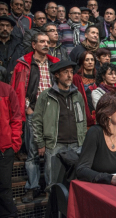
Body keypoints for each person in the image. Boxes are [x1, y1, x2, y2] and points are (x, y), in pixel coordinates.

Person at [11, 32, 60, 203]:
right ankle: (32, 188)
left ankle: (50, 189)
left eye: (48, 41)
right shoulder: (24, 64)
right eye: (42, 41)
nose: (46, 44)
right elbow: (17, 89)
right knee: (32, 153)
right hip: (34, 113)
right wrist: (28, 110)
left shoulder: (55, 64)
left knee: (51, 153)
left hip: (52, 114)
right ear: (34, 45)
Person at [32, 61, 87, 191]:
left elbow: (82, 119)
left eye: (71, 72)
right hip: (55, 145)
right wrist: (40, 143)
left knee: (76, 183)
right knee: (53, 183)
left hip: (76, 145)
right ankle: (54, 210)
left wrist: (83, 139)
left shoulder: (77, 95)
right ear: (57, 75)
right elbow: (37, 120)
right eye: (65, 72)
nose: (69, 75)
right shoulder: (46, 95)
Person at [76, 92, 116, 186]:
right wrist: (110, 178)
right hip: (99, 185)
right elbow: (81, 170)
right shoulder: (95, 132)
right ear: (109, 113)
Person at [0, 81, 22, 218]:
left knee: (4, 187)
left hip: (4, 149)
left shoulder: (6, 90)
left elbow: (16, 118)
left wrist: (14, 144)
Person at [73, 51, 97, 127]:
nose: (90, 62)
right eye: (87, 60)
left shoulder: (99, 78)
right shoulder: (76, 78)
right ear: (82, 62)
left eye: (92, 60)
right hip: (84, 116)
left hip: (99, 116)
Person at [0, 16, 24, 83]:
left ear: (12, 28)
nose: (5, 29)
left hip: (14, 81)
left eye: (7, 26)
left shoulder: (19, 45)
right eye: (2, 25)